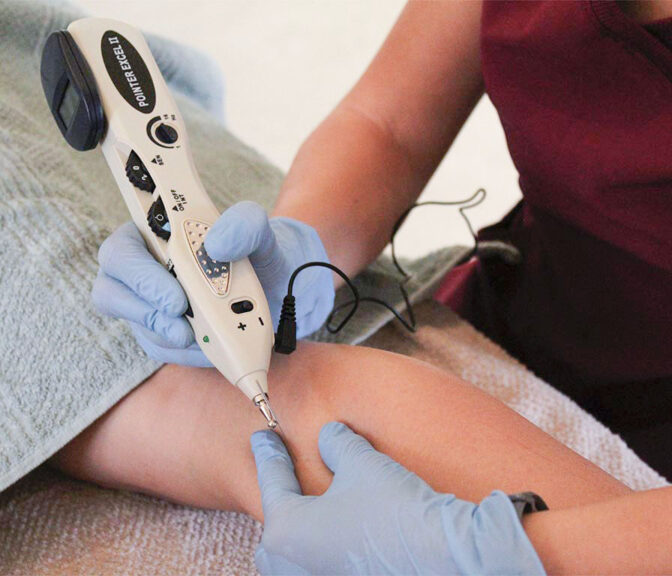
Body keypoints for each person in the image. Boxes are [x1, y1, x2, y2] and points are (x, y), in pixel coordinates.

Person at [58, 0, 672, 573]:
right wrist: (305, 249)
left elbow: (313, 410)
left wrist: (493, 554)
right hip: (530, 299)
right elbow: (387, 125)